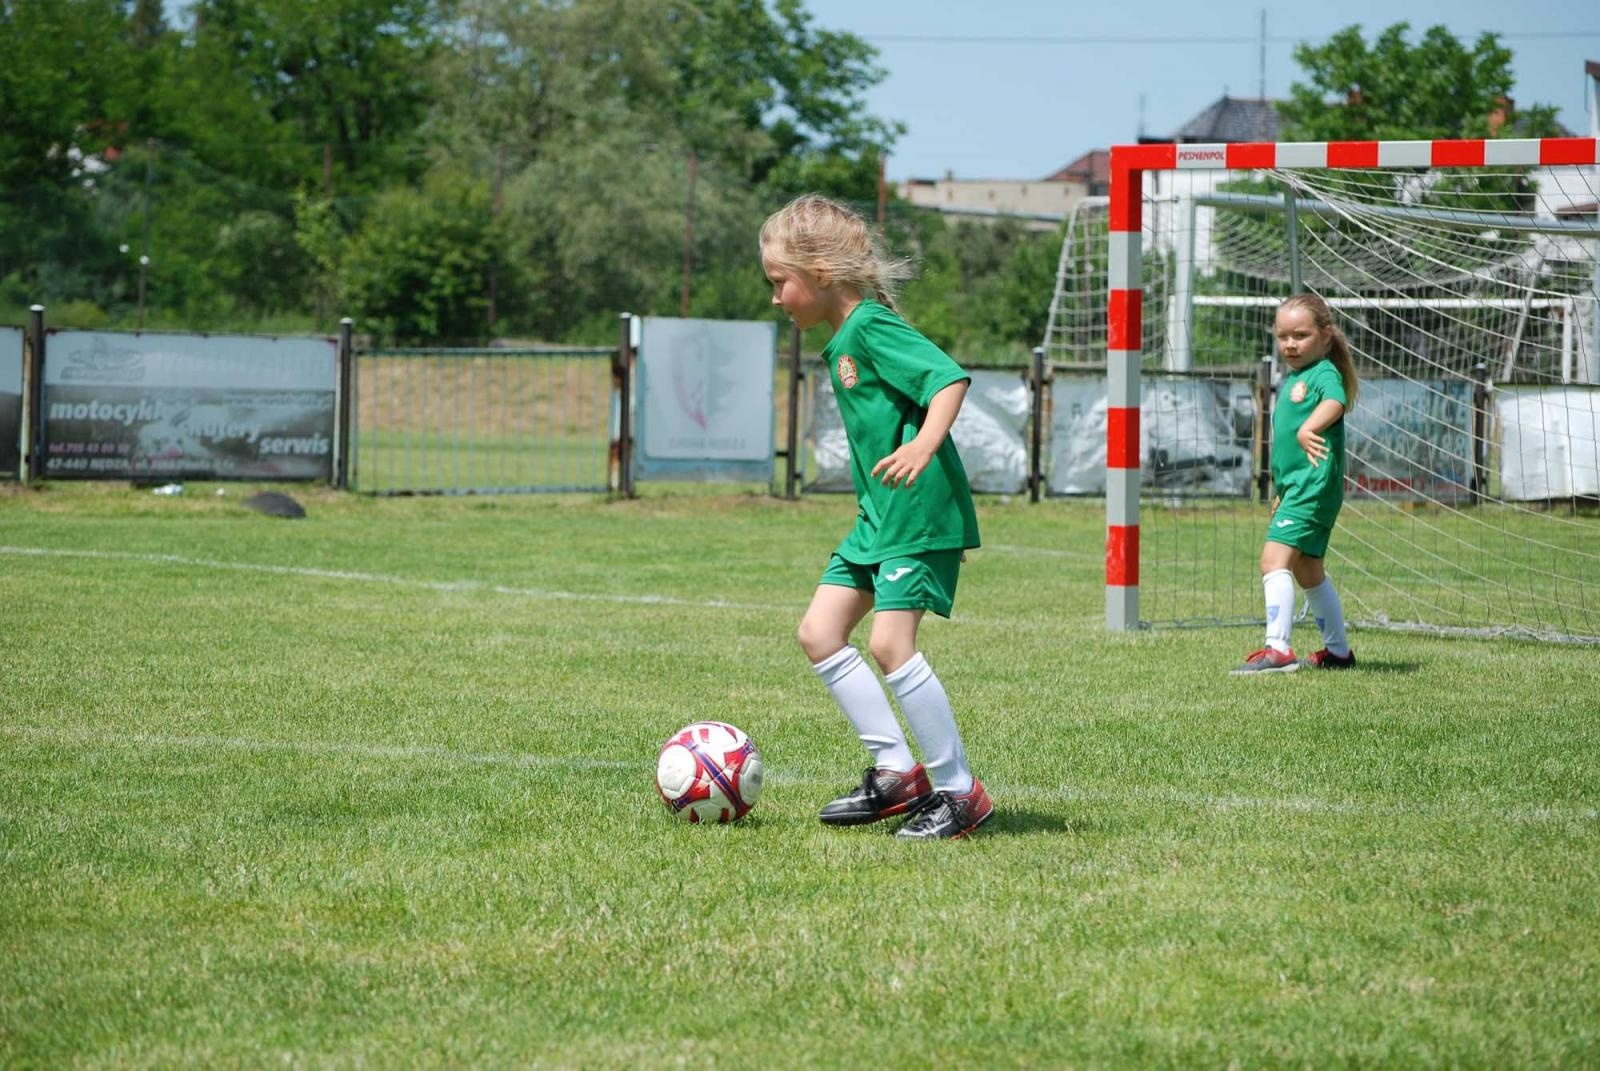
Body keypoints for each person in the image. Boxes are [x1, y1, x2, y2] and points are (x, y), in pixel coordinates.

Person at [759, 194, 992, 839]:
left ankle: (959, 790)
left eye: (781, 282)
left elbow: (947, 379)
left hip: (918, 515)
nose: (776, 298)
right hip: (879, 517)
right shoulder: (843, 338)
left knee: (890, 644)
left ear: (822, 275)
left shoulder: (870, 328)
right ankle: (896, 773)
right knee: (819, 632)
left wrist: (922, 445)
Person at [1233, 292, 1360, 674]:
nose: (1290, 343)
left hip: (1313, 489)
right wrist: (1280, 492)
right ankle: (1339, 653)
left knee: (1273, 561)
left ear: (1325, 335)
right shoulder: (1295, 377)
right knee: (1308, 571)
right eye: (1283, 335)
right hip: (1300, 490)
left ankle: (1279, 650)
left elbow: (1335, 401)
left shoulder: (1322, 373)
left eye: (1301, 335)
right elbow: (1287, 451)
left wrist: (1310, 427)